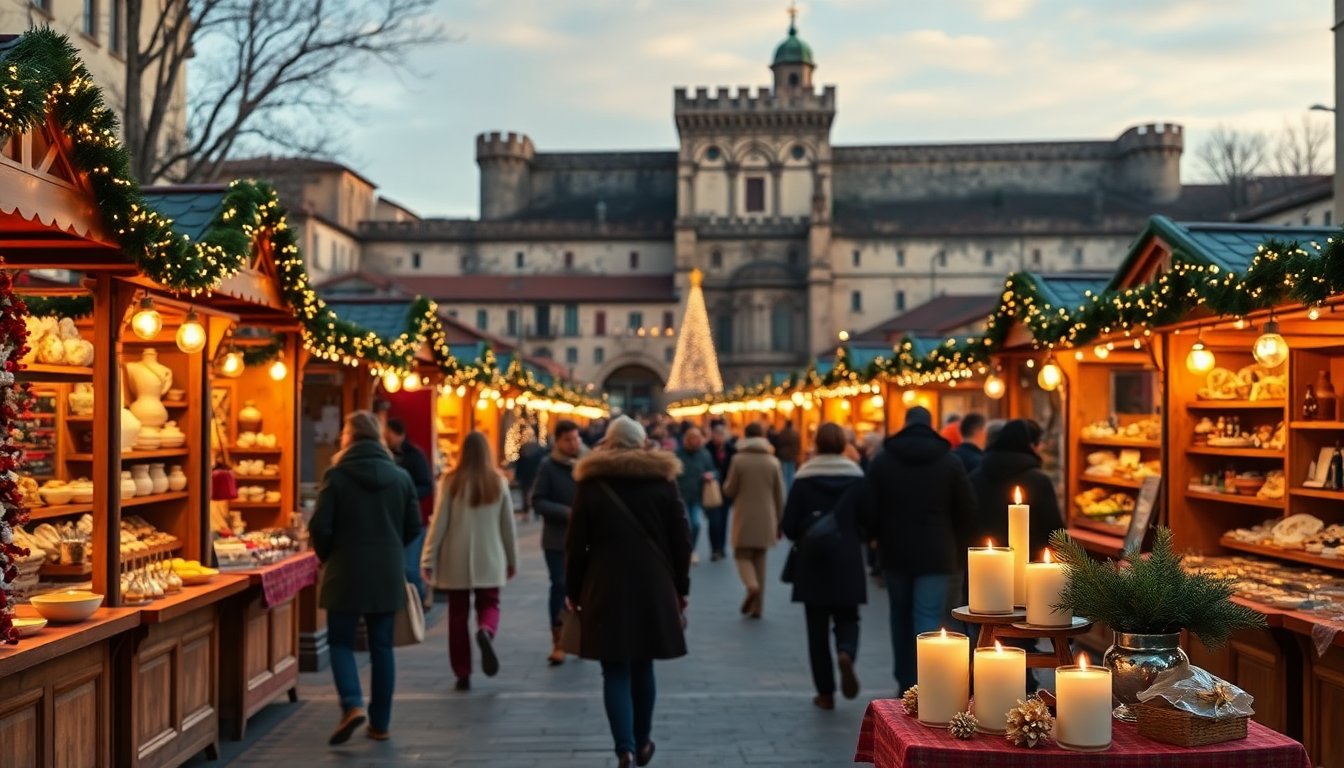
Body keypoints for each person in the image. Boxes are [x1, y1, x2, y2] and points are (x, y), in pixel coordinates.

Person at [566, 416, 690, 768]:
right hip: (652, 585)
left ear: (607, 442)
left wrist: (573, 591)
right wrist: (682, 588)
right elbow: (681, 541)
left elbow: (575, 545)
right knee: (643, 664)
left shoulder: (592, 483)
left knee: (615, 668)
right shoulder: (662, 481)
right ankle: (643, 740)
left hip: (604, 584)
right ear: (642, 443)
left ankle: (624, 748)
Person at [309, 411, 421, 745]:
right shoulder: (400, 477)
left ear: (350, 436)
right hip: (386, 571)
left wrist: (329, 555)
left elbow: (320, 525)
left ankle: (352, 704)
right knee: (381, 646)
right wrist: (389, 548)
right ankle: (381, 723)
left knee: (341, 642)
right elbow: (413, 526)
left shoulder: (337, 475)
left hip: (345, 568)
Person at [863, 406, 976, 693]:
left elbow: (870, 508)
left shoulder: (883, 461)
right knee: (926, 618)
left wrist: (875, 537)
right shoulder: (949, 461)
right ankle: (924, 686)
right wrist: (957, 543)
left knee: (899, 617)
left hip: (895, 551)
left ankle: (904, 682)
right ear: (931, 426)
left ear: (904, 424)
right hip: (937, 553)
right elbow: (967, 510)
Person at [421, 431, 518, 691]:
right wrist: (512, 559)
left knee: (457, 615)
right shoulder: (497, 482)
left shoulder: (450, 481)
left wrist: (428, 558)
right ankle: (486, 630)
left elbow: (438, 523)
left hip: (456, 559)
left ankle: (462, 671)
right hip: (490, 556)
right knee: (490, 603)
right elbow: (507, 526)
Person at [781, 423, 867, 710]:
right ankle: (846, 651)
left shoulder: (804, 479)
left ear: (816, 444)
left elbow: (789, 526)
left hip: (812, 562)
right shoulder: (857, 479)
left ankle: (825, 693)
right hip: (847, 559)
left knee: (815, 630)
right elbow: (869, 521)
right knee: (848, 617)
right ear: (844, 445)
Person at [969, 418, 1066, 558]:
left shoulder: (973, 478)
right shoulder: (1039, 481)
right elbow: (1055, 533)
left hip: (982, 565)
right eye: (1040, 444)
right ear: (1032, 446)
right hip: (1030, 566)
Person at [531, 419, 585, 665]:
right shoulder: (548, 466)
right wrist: (565, 512)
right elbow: (538, 500)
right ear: (558, 441)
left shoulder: (589, 464)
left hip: (586, 538)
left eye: (576, 438)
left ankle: (583, 637)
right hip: (557, 540)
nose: (573, 444)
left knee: (584, 589)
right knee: (560, 585)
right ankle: (559, 641)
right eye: (568, 439)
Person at [722, 421, 785, 619]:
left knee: (741, 555)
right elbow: (779, 495)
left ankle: (751, 586)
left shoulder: (738, 460)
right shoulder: (773, 461)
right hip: (767, 516)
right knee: (760, 560)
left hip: (744, 515)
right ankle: (758, 608)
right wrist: (780, 521)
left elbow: (730, 489)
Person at [384, 418, 436, 611]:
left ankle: (418, 606)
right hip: (391, 522)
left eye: (388, 434)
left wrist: (406, 494)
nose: (386, 437)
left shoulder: (414, 455)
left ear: (398, 434)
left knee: (410, 569)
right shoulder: (385, 455)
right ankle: (407, 608)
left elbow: (426, 486)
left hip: (411, 519)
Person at [674, 427, 717, 565]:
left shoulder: (704, 454)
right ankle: (685, 550)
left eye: (697, 438)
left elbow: (713, 470)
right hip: (681, 495)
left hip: (698, 495)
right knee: (686, 524)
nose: (696, 441)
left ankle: (691, 550)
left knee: (696, 523)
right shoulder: (678, 454)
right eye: (693, 438)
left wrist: (711, 475)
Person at [704, 421, 737, 562]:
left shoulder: (732, 450)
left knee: (723, 520)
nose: (719, 437)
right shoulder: (706, 449)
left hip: (726, 490)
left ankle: (721, 547)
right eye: (717, 434)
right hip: (711, 489)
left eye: (722, 434)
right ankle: (715, 548)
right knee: (714, 521)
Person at [511, 425, 545, 519]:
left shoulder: (523, 448)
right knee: (534, 493)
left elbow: (519, 464)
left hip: (526, 474)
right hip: (535, 474)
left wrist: (517, 476)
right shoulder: (539, 448)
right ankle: (536, 512)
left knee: (525, 493)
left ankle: (527, 511)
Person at [776, 421, 801, 490]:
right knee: (791, 474)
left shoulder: (782, 433)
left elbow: (778, 443)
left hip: (783, 456)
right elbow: (797, 445)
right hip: (792, 456)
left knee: (784, 475)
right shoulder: (795, 433)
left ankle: (784, 490)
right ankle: (790, 490)